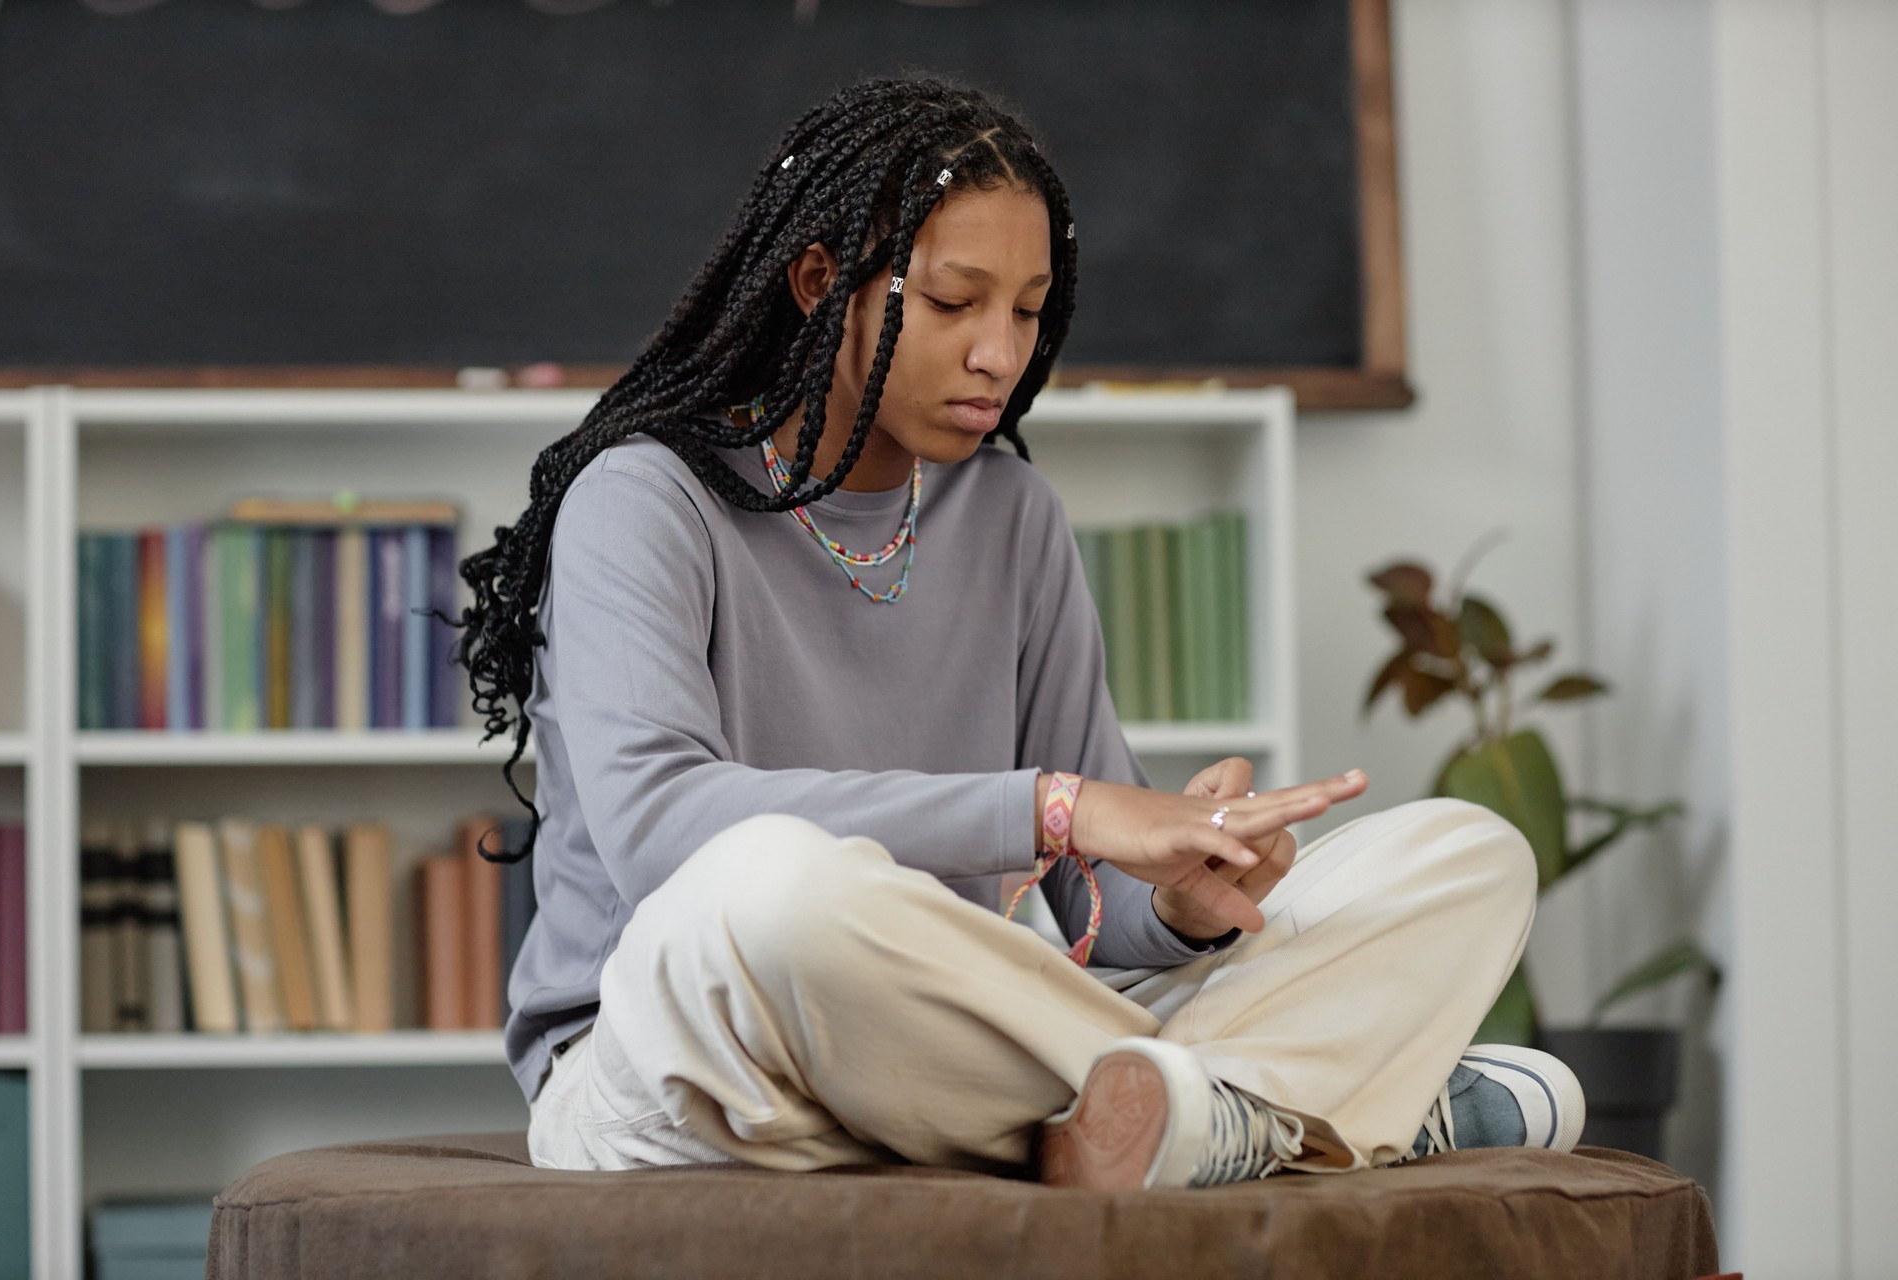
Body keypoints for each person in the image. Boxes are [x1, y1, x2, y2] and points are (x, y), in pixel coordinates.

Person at [444, 74, 1585, 1191]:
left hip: (936, 1044)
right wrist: (1052, 803)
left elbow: (1098, 902)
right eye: (953, 303)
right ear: (815, 280)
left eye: (1030, 311)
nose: (1001, 352)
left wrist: (1185, 900)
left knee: (1464, 854)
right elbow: (657, 833)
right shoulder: (645, 499)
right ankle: (1281, 1104)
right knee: (775, 885)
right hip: (687, 1054)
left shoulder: (1010, 512)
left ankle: (1176, 1118)